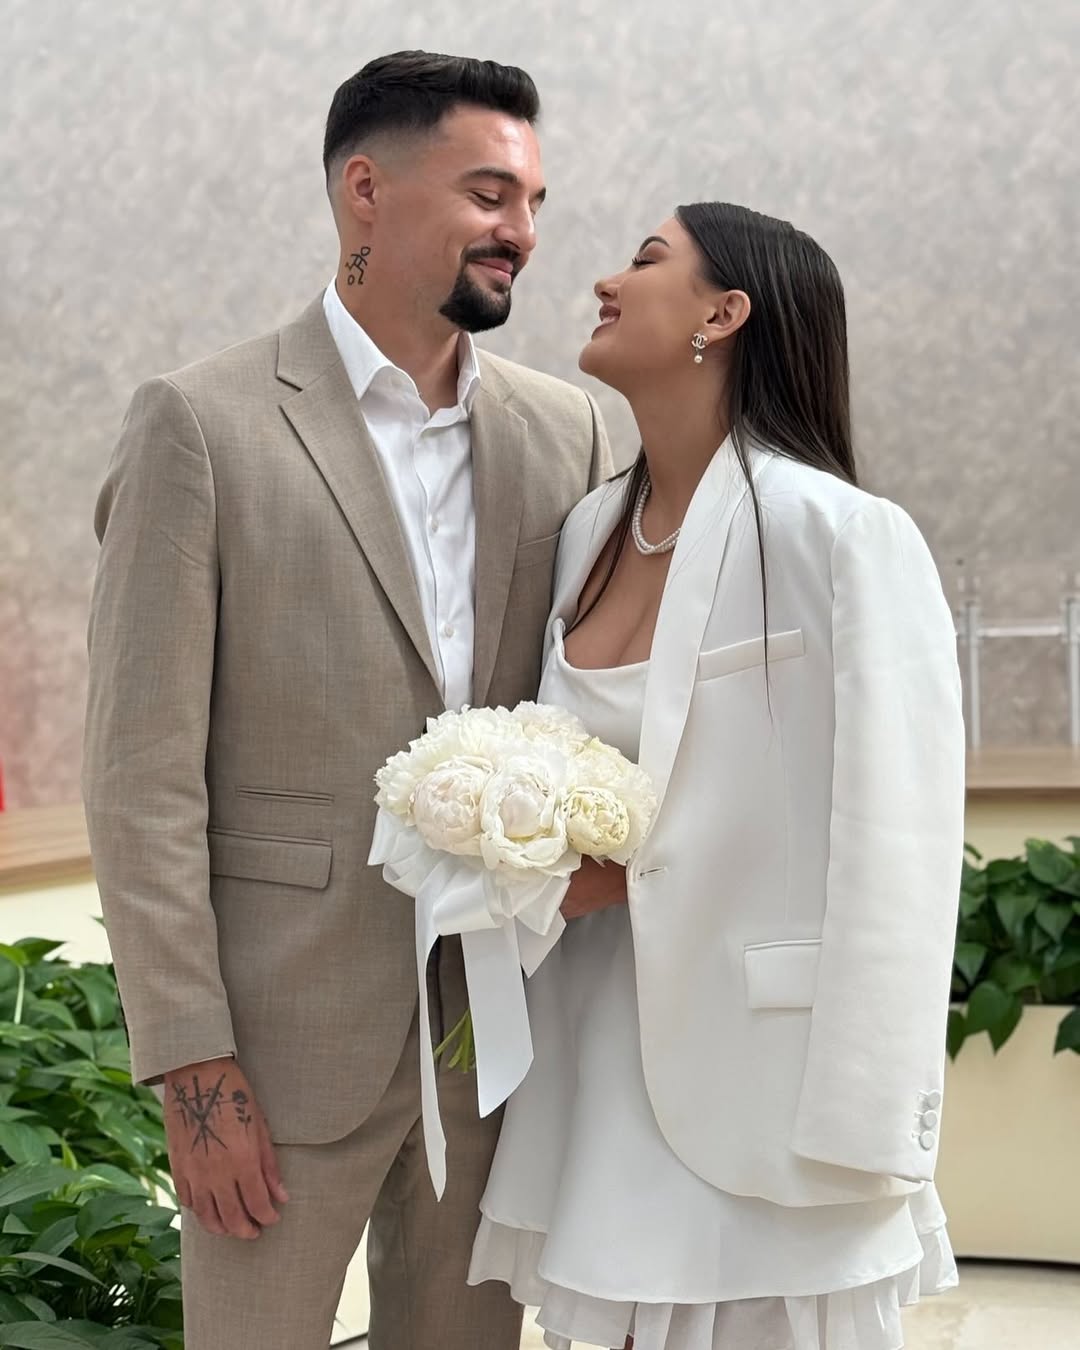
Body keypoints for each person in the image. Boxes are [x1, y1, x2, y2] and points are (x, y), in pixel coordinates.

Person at [82, 50, 611, 1350]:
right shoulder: (201, 425)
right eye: (489, 194)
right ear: (365, 190)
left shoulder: (571, 433)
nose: (522, 232)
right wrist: (193, 1066)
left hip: (492, 1040)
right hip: (273, 1054)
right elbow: (140, 774)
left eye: (534, 202)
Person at [468, 203, 965, 1350]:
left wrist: (874, 1114)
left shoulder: (839, 533)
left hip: (768, 1081)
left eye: (647, 260)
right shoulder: (588, 532)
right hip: (592, 1061)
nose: (605, 279)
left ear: (724, 314)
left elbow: (898, 835)